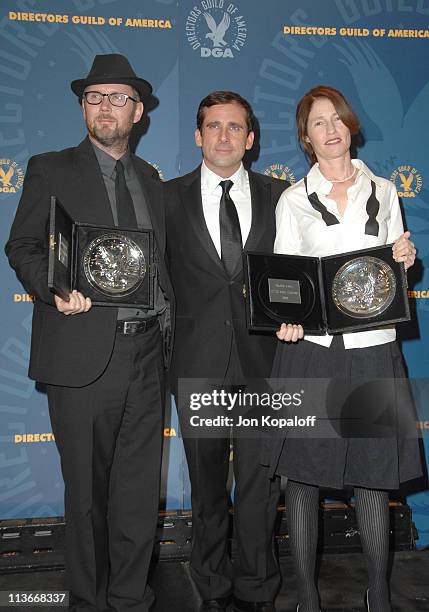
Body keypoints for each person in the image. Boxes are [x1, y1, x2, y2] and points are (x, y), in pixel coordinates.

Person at [5, 54, 174, 612]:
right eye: (95, 97)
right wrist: (52, 289)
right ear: (82, 107)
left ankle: (130, 598)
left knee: (136, 494)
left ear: (139, 111)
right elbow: (22, 246)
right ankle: (88, 602)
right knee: (86, 495)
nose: (106, 106)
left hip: (148, 353)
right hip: (80, 352)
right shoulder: (50, 168)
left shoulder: (153, 181)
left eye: (118, 98)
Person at [270, 85, 422, 612]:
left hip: (373, 351)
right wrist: (286, 321)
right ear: (306, 138)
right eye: (318, 122)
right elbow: (286, 281)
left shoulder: (385, 191)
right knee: (304, 482)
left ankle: (377, 594)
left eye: (337, 118)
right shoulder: (292, 199)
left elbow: (392, 279)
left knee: (374, 481)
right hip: (310, 355)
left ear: (351, 125)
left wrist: (405, 260)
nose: (330, 128)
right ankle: (307, 598)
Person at [164, 91, 287, 612]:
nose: (223, 136)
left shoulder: (284, 196)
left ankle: (258, 585)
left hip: (267, 363)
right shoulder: (167, 199)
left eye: (234, 127)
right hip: (197, 363)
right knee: (207, 485)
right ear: (198, 135)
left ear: (250, 139)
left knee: (261, 486)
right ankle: (211, 584)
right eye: (213, 126)